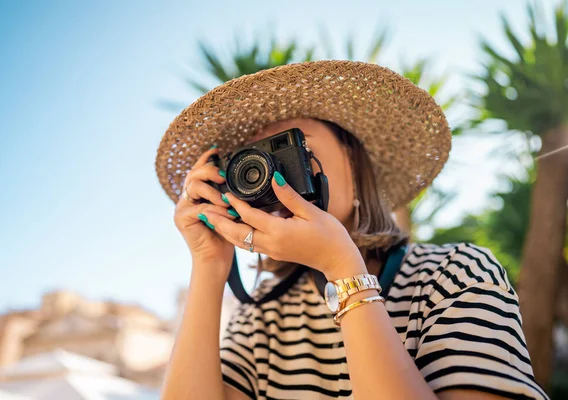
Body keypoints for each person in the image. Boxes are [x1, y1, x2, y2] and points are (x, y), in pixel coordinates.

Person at [155, 61, 548, 399]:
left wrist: (344, 269)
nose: (266, 174)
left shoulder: (456, 273)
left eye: (289, 147)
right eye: (252, 160)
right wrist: (209, 264)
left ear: (354, 164)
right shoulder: (262, 316)